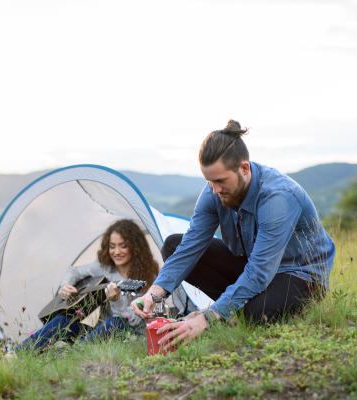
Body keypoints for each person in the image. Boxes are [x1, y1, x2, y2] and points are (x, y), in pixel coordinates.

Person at [131, 119, 336, 350]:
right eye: (209, 181)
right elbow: (190, 247)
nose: (215, 190)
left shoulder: (277, 197)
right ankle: (231, 308)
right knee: (172, 245)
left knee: (256, 314)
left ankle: (226, 311)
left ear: (244, 168)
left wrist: (206, 318)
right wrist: (154, 294)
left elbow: (260, 272)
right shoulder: (214, 191)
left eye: (220, 181)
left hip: (299, 274)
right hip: (250, 264)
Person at [20, 219, 159, 352]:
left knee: (115, 322)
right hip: (99, 334)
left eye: (123, 246)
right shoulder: (105, 267)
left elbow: (132, 322)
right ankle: (14, 354)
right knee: (63, 321)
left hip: (129, 337)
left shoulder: (147, 279)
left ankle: (71, 356)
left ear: (135, 247)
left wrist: (116, 301)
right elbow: (74, 271)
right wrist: (65, 285)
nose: (117, 252)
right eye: (112, 246)